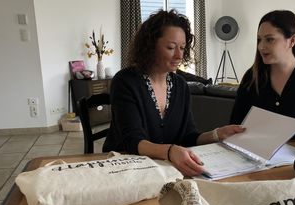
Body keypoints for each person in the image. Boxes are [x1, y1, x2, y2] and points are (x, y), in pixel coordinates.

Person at [103, 10, 244, 176]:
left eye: (182, 48)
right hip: (124, 168)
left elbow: (188, 137)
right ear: (150, 45)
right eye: (171, 47)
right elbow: (133, 142)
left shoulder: (180, 85)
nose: (179, 55)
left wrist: (216, 134)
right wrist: (170, 151)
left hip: (164, 170)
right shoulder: (125, 81)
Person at [230, 10, 295, 150]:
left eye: (269, 39)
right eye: (259, 39)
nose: (261, 46)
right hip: (256, 155)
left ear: (292, 40)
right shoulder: (252, 76)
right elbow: (236, 122)